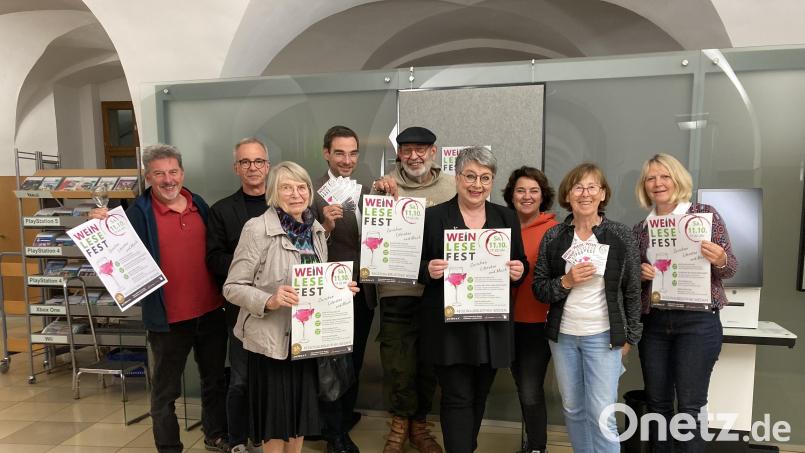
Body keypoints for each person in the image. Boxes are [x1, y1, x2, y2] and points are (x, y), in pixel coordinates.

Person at [93, 144, 229, 453]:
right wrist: (100, 226)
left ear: (182, 173)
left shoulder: (201, 206)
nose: (168, 180)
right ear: (147, 177)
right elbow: (111, 253)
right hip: (168, 320)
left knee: (215, 381)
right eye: (159, 174)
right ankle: (169, 447)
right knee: (165, 392)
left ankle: (216, 434)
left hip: (210, 312)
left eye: (172, 172)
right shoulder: (136, 214)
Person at [223, 161, 360, 453]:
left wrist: (339, 291)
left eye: (301, 187)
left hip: (306, 345)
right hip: (273, 346)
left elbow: (316, 286)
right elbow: (232, 288)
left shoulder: (316, 231)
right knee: (276, 427)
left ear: (310, 192)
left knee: (299, 422)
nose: (296, 194)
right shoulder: (258, 228)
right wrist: (269, 300)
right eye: (287, 187)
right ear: (274, 192)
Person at [419, 146, 527, 453]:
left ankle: (465, 446)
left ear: (492, 181)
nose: (476, 184)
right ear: (457, 177)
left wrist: (519, 269)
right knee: (457, 397)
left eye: (485, 177)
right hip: (449, 326)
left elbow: (518, 260)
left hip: (491, 325)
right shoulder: (434, 217)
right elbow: (414, 266)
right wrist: (428, 268)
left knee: (480, 395)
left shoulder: (506, 217)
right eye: (470, 176)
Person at [532, 162, 642, 453]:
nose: (585, 193)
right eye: (578, 187)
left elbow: (632, 290)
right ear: (567, 195)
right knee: (572, 409)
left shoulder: (620, 235)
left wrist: (630, 337)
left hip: (603, 336)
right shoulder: (554, 237)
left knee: (602, 414)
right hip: (564, 337)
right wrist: (566, 281)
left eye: (592, 187)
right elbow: (539, 288)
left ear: (603, 194)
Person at [632, 153, 736, 452]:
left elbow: (729, 268)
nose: (658, 183)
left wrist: (721, 258)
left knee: (690, 408)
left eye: (664, 176)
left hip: (698, 323)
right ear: (645, 186)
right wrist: (640, 275)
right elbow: (632, 280)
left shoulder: (705, 215)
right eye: (651, 178)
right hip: (655, 323)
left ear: (678, 180)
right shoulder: (641, 229)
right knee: (657, 405)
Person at [371, 126, 454, 453]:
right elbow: (370, 234)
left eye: (421, 149)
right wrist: (380, 198)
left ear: (433, 152)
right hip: (395, 288)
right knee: (397, 362)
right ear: (399, 154)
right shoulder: (383, 185)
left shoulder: (451, 186)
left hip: (437, 290)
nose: (414, 156)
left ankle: (419, 424)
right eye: (407, 150)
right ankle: (398, 423)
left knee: (428, 361)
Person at [312, 125, 376, 453]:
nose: (347, 160)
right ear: (326, 153)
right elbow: (302, 245)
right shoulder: (310, 193)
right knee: (333, 364)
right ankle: (333, 434)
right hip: (332, 295)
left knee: (354, 360)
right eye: (340, 153)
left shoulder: (364, 192)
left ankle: (343, 417)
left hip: (363, 292)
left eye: (353, 153)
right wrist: (324, 225)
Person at [206, 137, 271, 453]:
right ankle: (237, 440)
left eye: (258, 161)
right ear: (236, 168)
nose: (253, 168)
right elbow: (214, 259)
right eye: (245, 162)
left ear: (267, 166)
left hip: (279, 309)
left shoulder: (284, 204)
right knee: (241, 379)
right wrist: (250, 261)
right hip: (241, 310)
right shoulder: (221, 210)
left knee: (272, 382)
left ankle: (266, 435)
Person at [501, 166, 557, 453]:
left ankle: (537, 447)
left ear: (543, 195)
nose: (527, 196)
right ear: (511, 195)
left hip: (537, 322)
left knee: (530, 390)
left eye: (533, 191)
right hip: (502, 320)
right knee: (521, 386)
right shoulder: (498, 225)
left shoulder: (555, 230)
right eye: (520, 190)